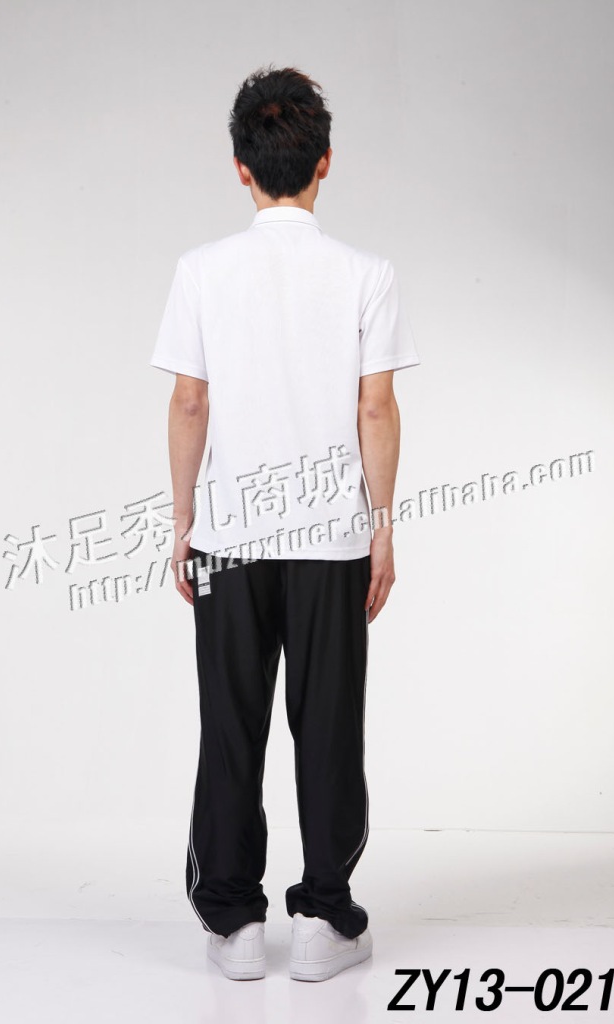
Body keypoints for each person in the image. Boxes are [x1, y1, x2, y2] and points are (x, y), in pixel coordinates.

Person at [150, 64, 420, 982]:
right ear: (324, 161)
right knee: (328, 725)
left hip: (228, 538)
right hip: (332, 540)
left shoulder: (201, 271)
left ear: (241, 167)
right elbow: (375, 408)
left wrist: (183, 522)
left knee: (232, 726)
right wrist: (382, 528)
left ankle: (233, 924)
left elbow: (190, 402)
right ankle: (324, 922)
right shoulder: (366, 275)